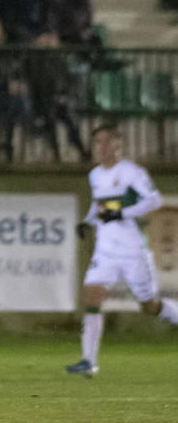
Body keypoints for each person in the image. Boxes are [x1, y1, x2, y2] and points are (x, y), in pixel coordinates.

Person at [68, 124, 178, 376]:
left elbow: (154, 200)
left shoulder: (130, 172)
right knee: (91, 297)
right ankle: (88, 362)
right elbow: (100, 207)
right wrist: (87, 222)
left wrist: (121, 212)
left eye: (106, 142)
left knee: (149, 306)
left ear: (118, 144)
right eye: (97, 142)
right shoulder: (95, 175)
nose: (101, 147)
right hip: (105, 250)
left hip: (132, 250)